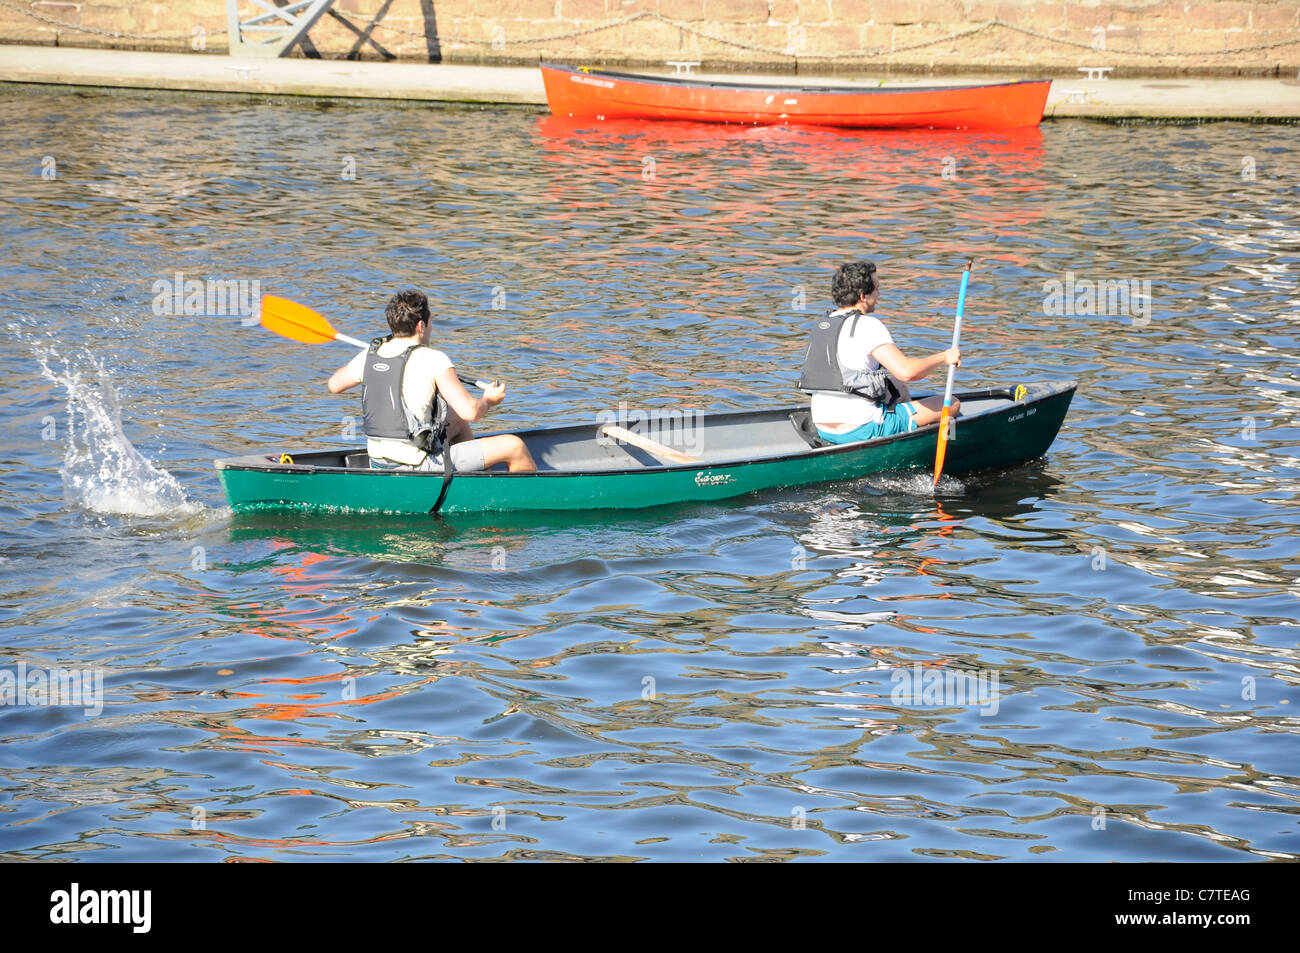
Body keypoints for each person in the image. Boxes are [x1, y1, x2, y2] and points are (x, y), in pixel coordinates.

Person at [327, 289, 537, 473]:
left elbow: (334, 385)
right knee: (514, 446)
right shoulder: (434, 359)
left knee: (455, 419)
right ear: (421, 326)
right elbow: (472, 411)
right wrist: (489, 400)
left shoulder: (370, 354)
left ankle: (477, 481)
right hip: (417, 465)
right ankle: (525, 499)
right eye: (431, 322)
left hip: (378, 462)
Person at [800, 260, 961, 444]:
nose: (879, 294)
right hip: (862, 428)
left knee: (896, 385)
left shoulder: (823, 324)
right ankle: (914, 446)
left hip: (823, 428)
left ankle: (904, 427)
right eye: (876, 288)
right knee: (952, 404)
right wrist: (944, 357)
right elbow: (908, 372)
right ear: (863, 296)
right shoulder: (869, 325)